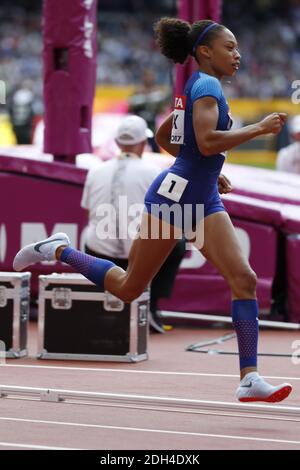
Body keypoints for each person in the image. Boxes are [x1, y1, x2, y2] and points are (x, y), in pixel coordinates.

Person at [13, 18, 292, 403]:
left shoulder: (192, 87)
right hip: (175, 201)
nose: (238, 53)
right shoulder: (206, 85)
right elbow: (209, 140)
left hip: (202, 197)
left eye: (237, 46)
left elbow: (167, 138)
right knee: (130, 289)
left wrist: (206, 169)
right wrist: (256, 130)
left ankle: (249, 377)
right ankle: (58, 250)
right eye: (229, 46)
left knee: (243, 278)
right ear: (205, 52)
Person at [81, 114, 186, 332]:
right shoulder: (154, 171)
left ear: (118, 143)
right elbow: (169, 213)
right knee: (176, 240)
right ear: (142, 143)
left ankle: (103, 304)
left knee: (90, 235)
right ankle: (152, 304)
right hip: (138, 257)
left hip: (101, 253)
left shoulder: (95, 171)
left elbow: (89, 211)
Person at [128, 69, 170, 152]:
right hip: (139, 124)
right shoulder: (137, 91)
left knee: (155, 146)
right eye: (147, 77)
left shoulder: (157, 91)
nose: (149, 79)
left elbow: (162, 110)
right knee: (136, 144)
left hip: (151, 125)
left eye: (151, 77)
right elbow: (130, 108)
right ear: (143, 78)